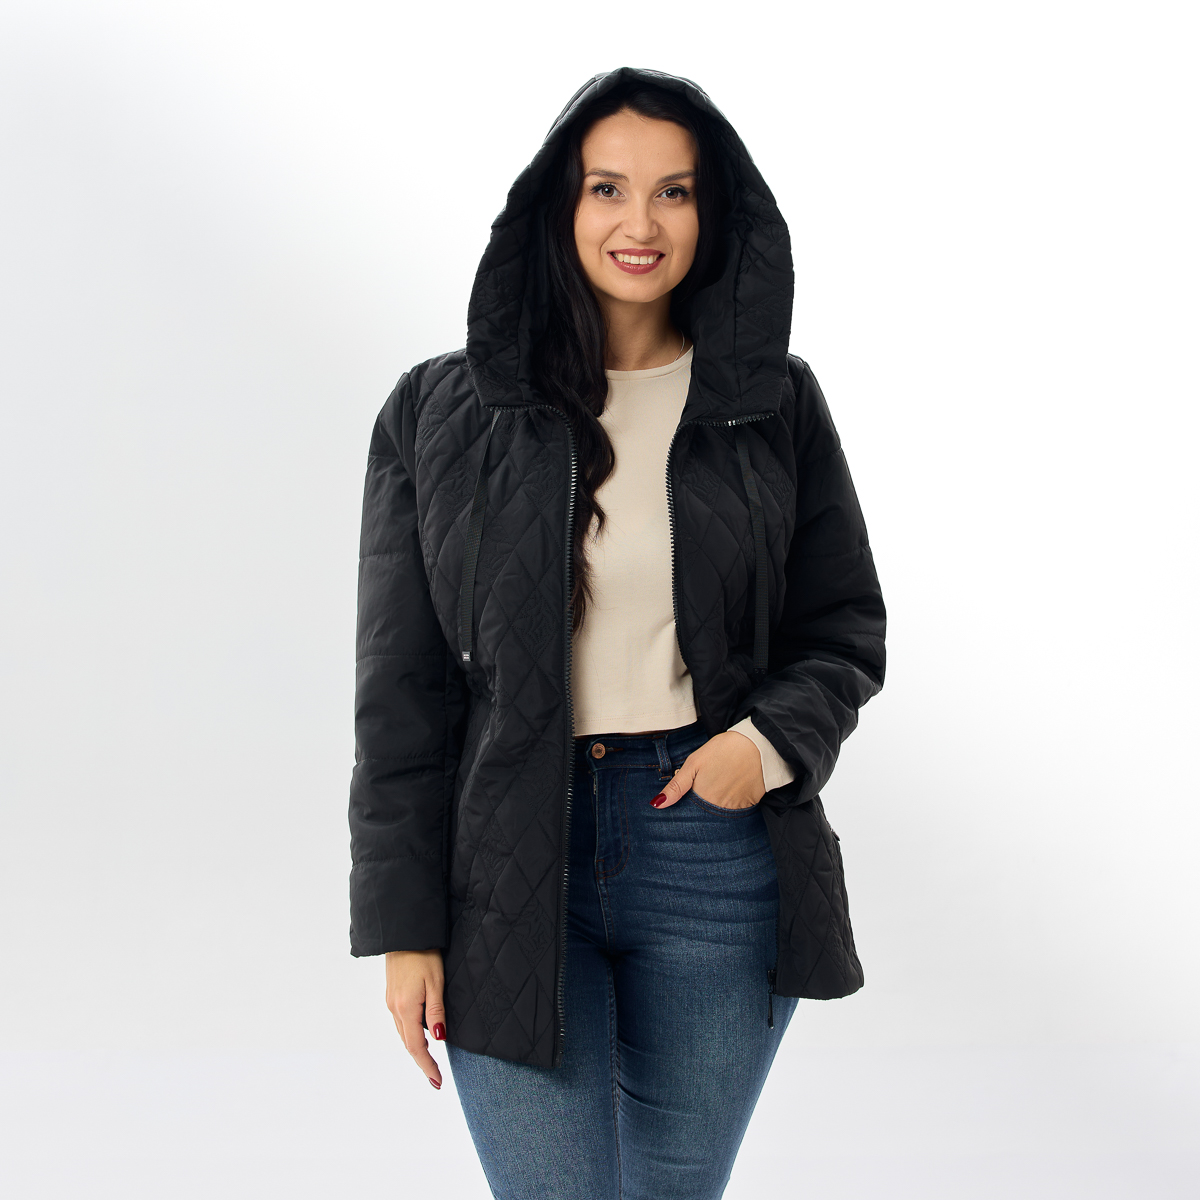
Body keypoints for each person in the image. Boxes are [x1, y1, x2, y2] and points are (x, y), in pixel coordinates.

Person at [348, 66, 886, 1200]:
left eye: (674, 192)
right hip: (505, 862)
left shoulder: (775, 404)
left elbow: (842, 629)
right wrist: (404, 926)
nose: (640, 223)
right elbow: (401, 696)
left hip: (711, 852)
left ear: (714, 211)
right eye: (608, 188)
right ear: (559, 204)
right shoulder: (438, 413)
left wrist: (762, 748)